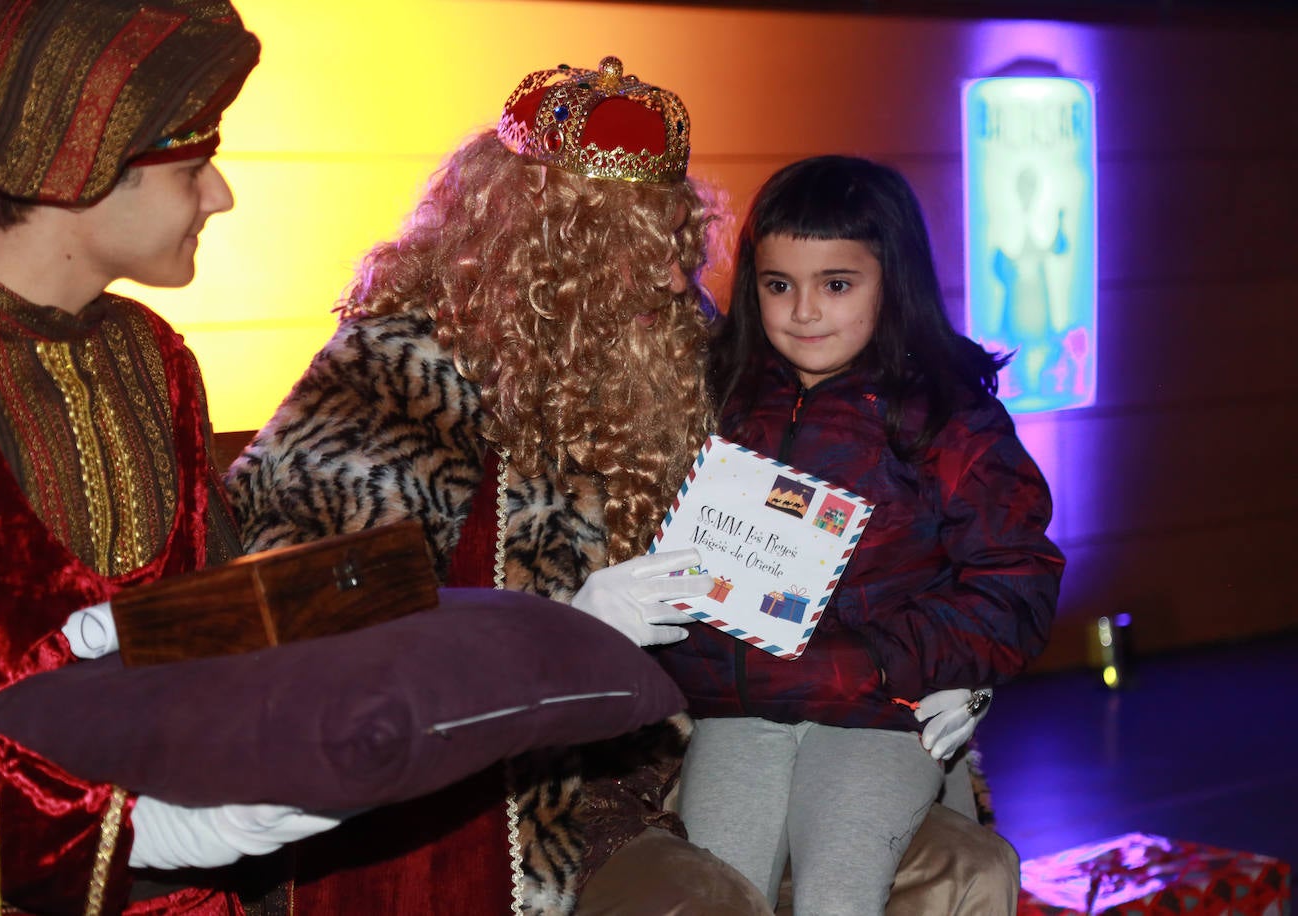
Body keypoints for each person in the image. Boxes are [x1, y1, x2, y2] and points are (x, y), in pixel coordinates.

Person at [227, 59, 1034, 915]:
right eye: (605, 245)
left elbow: (887, 546)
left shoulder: (699, 356)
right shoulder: (396, 373)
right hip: (514, 787)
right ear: (513, 237)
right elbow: (296, 611)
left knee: (968, 871)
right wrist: (553, 627)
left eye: (664, 243)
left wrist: (955, 672)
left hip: (716, 734)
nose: (651, 279)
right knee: (699, 901)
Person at [0, 2, 339, 912]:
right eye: (193, 169)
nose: (220, 195)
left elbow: (216, 609)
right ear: (83, 178)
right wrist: (113, 828)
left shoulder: (154, 357)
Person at [655, 154, 1065, 915]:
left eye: (836, 284)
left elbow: (1015, 576)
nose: (804, 311)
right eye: (779, 285)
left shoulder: (949, 418)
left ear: (894, 280)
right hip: (737, 708)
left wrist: (891, 661)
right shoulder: (719, 398)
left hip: (875, 711)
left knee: (837, 895)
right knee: (712, 893)